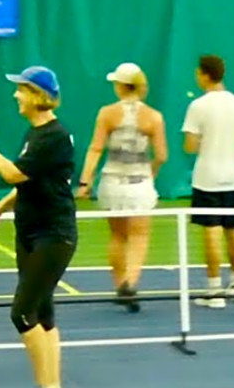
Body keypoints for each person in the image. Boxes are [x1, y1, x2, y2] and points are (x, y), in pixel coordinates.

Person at [0, 66, 76, 388]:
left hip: (54, 237)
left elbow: (13, 174)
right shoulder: (34, 133)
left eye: (21, 89)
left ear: (37, 95)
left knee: (21, 314)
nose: (16, 94)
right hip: (29, 234)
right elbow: (26, 185)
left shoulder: (54, 137)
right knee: (43, 316)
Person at [77, 62, 168, 313]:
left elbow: (95, 148)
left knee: (118, 235)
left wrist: (85, 182)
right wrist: (151, 173)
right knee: (139, 235)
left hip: (112, 182)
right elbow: (161, 155)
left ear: (120, 86)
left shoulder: (107, 113)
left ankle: (120, 284)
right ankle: (130, 282)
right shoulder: (154, 116)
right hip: (140, 182)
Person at [181, 54, 234, 309]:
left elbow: (189, 146)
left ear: (205, 74)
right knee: (233, 231)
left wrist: (199, 139)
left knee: (211, 232)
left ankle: (214, 291)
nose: (196, 76)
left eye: (198, 72)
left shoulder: (198, 106)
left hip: (207, 178)